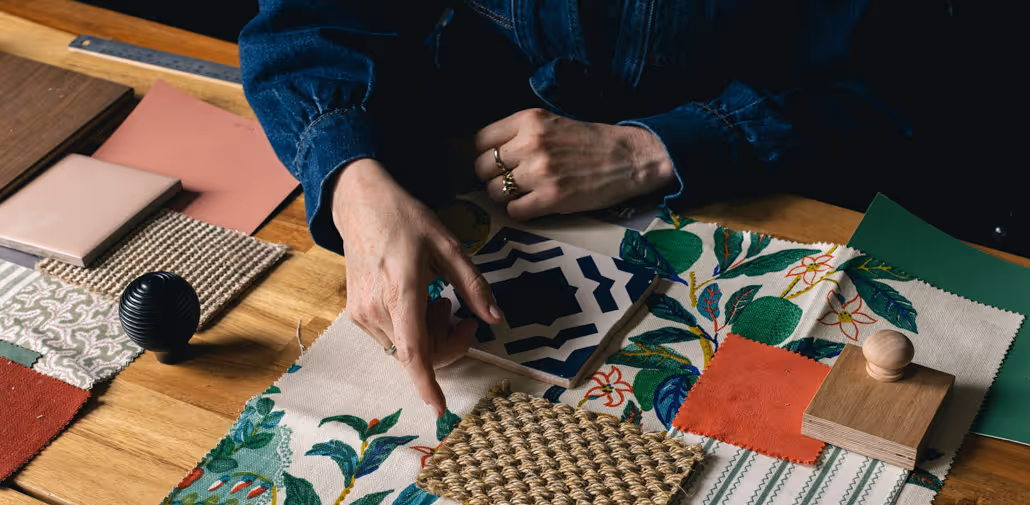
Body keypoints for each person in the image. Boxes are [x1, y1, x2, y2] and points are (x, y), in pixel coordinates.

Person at [240, 1, 908, 413]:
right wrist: (355, 182)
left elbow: (895, 77)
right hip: (481, 182)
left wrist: (649, 151)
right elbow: (308, 20)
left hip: (768, 195)